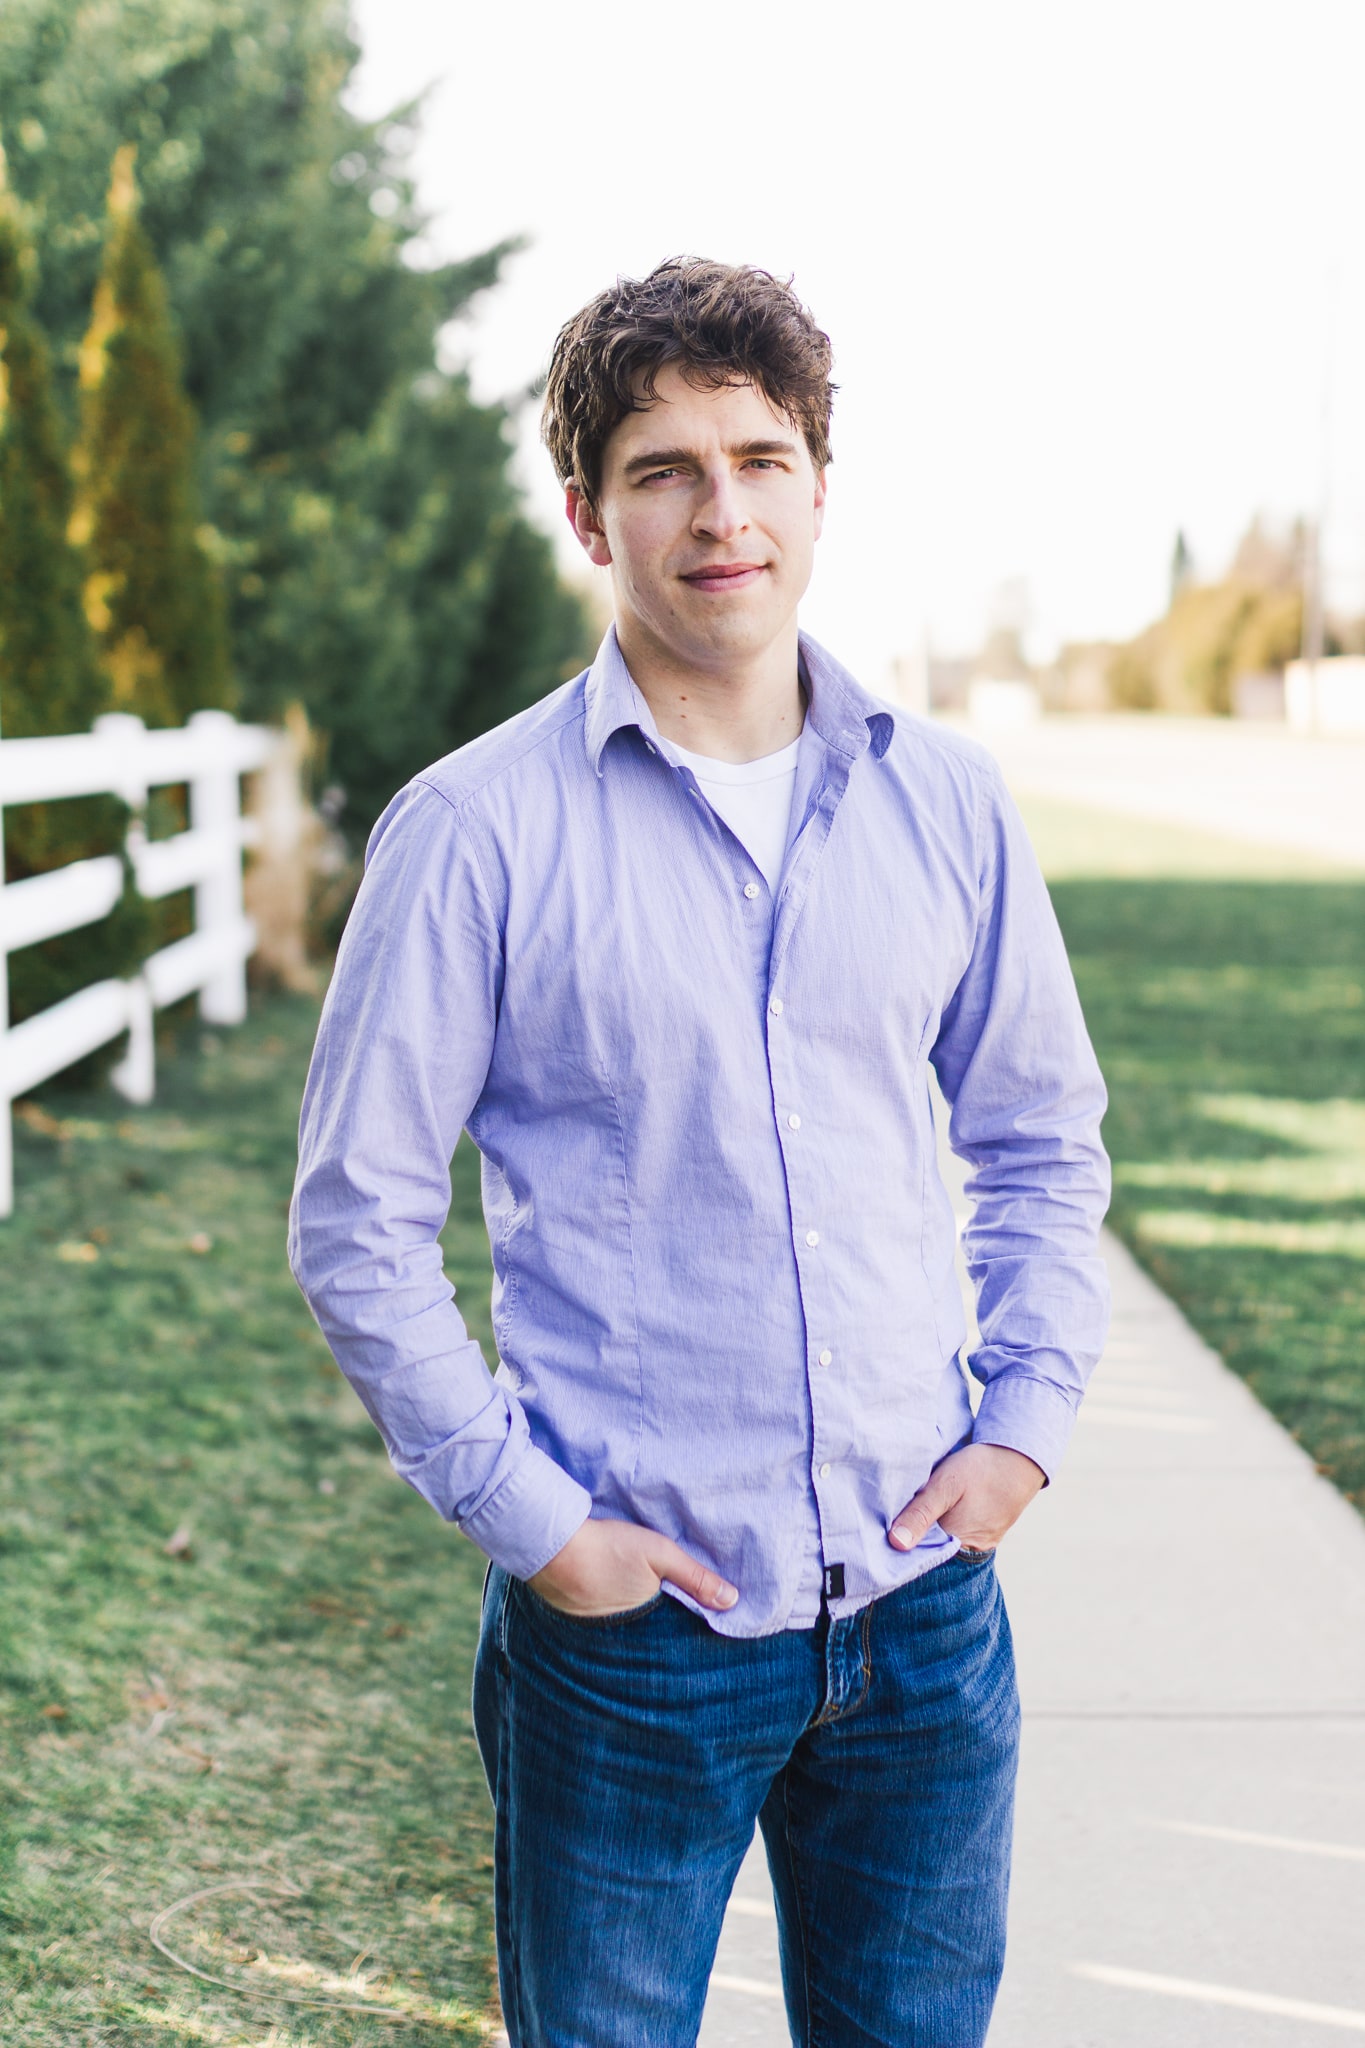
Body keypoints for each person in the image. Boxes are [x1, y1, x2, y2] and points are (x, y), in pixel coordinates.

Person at [289, 257, 1111, 2048]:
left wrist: (1023, 1427)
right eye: (663, 468)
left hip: (922, 1619)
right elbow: (355, 1225)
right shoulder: (472, 833)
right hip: (630, 1643)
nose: (718, 509)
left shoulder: (949, 804)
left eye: (757, 456)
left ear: (820, 487)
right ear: (590, 514)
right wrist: (536, 1527)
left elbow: (1040, 1141)